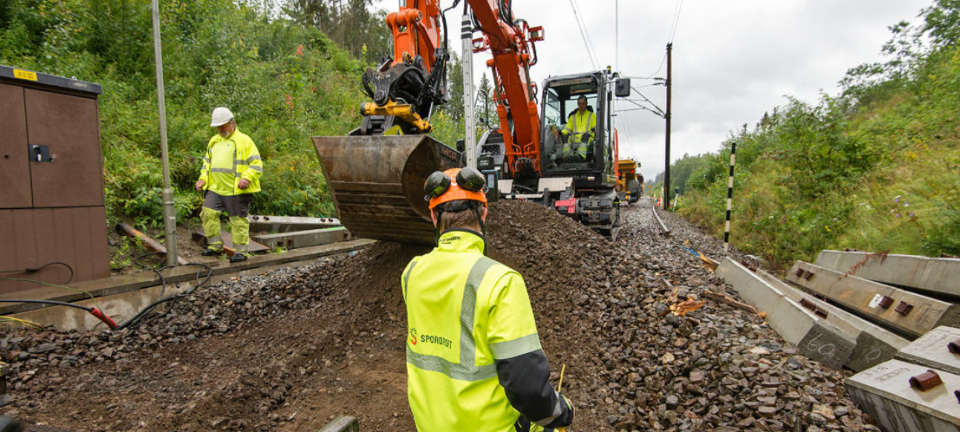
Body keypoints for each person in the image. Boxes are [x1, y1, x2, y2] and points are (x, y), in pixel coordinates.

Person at [401, 167, 574, 432]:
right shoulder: (501, 282)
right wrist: (561, 412)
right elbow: (528, 388)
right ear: (484, 213)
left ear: (434, 218)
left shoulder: (411, 274)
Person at [194, 107, 263, 263]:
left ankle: (240, 252)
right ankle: (214, 246)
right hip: (215, 188)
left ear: (232, 123)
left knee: (238, 220)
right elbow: (207, 164)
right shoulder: (214, 141)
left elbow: (256, 164)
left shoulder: (244, 141)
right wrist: (202, 179)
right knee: (207, 213)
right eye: (217, 127)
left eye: (223, 126)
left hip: (236, 190)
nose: (220, 129)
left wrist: (247, 177)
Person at [555, 95, 596, 162]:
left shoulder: (592, 115)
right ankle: (567, 156)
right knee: (565, 138)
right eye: (579, 104)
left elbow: (594, 128)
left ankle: (580, 156)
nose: (581, 105)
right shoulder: (572, 117)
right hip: (574, 138)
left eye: (583, 104)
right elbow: (567, 129)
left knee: (585, 137)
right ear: (577, 104)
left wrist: (594, 133)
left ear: (586, 104)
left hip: (587, 137)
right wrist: (561, 132)